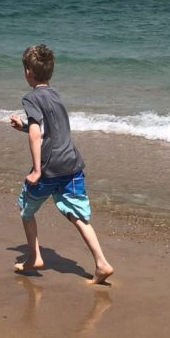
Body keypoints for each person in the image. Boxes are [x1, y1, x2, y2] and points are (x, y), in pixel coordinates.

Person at [9, 44, 114, 284]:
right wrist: (23, 126)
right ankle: (101, 262)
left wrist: (37, 170)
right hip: (72, 165)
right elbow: (52, 129)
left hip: (48, 168)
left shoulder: (31, 98)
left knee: (26, 208)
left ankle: (34, 257)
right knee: (77, 215)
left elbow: (37, 134)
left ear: (28, 73)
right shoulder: (55, 95)